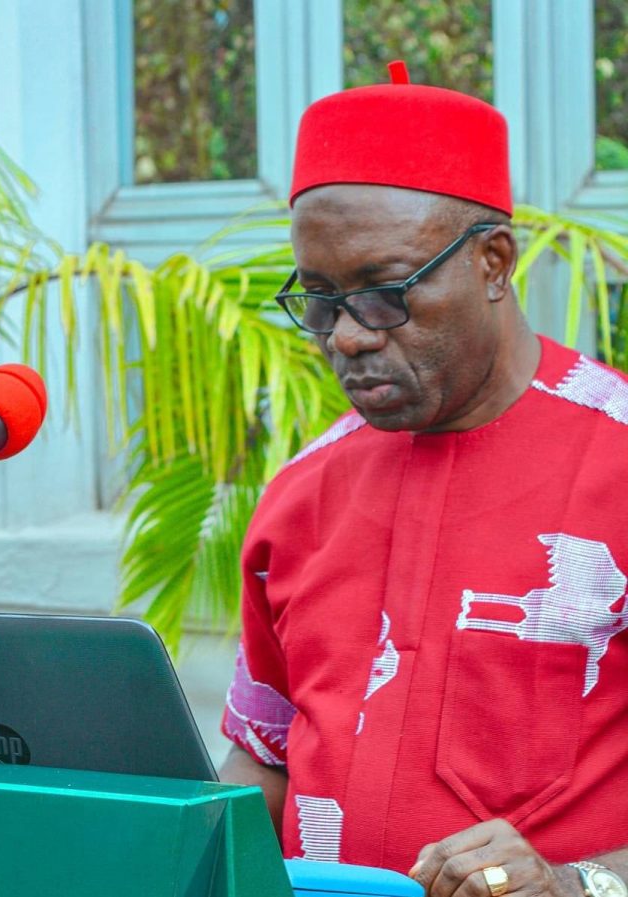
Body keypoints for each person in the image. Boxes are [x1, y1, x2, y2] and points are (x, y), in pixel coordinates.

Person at [219, 60, 628, 897]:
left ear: (493, 262)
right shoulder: (299, 493)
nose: (348, 336)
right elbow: (263, 761)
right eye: (321, 299)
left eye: (384, 293)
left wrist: (576, 884)